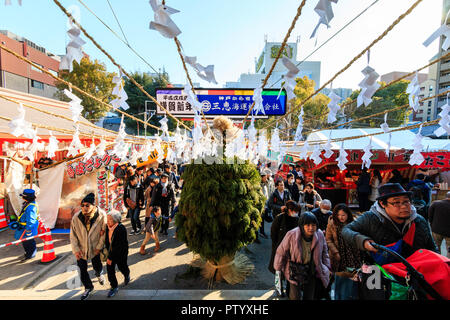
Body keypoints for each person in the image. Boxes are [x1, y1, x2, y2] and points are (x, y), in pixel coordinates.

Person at [341, 183, 439, 266]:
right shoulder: (370, 218)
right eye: (396, 202)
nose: (404, 206)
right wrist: (363, 242)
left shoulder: (419, 221)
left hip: (414, 273)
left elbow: (432, 247)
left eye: (406, 201)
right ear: (382, 204)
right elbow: (346, 230)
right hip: (378, 272)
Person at [274, 212, 331, 300]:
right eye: (307, 225)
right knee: (295, 296)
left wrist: (327, 267)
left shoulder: (319, 234)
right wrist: (278, 269)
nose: (311, 228)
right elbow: (281, 252)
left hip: (311, 269)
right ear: (301, 225)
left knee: (309, 296)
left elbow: (324, 252)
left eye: (313, 225)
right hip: (295, 270)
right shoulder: (292, 234)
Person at [70, 193, 107, 300]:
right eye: (82, 205)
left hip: (95, 247)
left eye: (87, 205)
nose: (84, 208)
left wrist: (99, 247)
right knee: (82, 269)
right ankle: (88, 287)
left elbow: (103, 233)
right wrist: (76, 250)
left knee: (97, 264)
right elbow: (73, 235)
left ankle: (99, 274)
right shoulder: (76, 217)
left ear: (94, 206)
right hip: (81, 248)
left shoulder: (101, 215)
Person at [326, 204, 362, 300]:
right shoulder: (332, 224)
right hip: (338, 256)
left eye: (343, 215)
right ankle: (339, 296)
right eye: (338, 215)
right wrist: (336, 252)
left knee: (353, 276)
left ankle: (351, 295)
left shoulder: (354, 223)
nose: (341, 217)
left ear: (348, 215)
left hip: (352, 255)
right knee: (340, 278)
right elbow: (328, 240)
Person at [268, 200, 300, 274]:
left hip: (293, 247)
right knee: (279, 267)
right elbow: (273, 233)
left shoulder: (297, 219)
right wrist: (276, 244)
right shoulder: (280, 218)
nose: (296, 213)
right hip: (280, 245)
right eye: (295, 211)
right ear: (289, 210)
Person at [105, 210, 130, 298]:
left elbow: (118, 246)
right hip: (111, 252)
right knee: (110, 269)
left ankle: (126, 274)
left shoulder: (121, 228)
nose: (107, 221)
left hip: (120, 253)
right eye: (107, 219)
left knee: (122, 267)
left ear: (116, 220)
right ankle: (114, 287)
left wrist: (110, 257)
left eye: (110, 219)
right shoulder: (107, 227)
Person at [14, 189, 39, 261]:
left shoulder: (31, 208)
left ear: (26, 198)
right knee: (26, 241)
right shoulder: (28, 203)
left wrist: (28, 230)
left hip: (27, 228)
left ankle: (30, 255)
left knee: (28, 242)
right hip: (24, 227)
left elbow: (31, 221)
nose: (22, 197)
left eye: (23, 196)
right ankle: (29, 253)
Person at [428, 191, 450, 258]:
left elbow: (429, 216)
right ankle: (448, 264)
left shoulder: (435, 203)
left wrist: (432, 225)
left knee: (436, 248)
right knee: (449, 249)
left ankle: (439, 261)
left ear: (445, 197)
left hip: (436, 229)